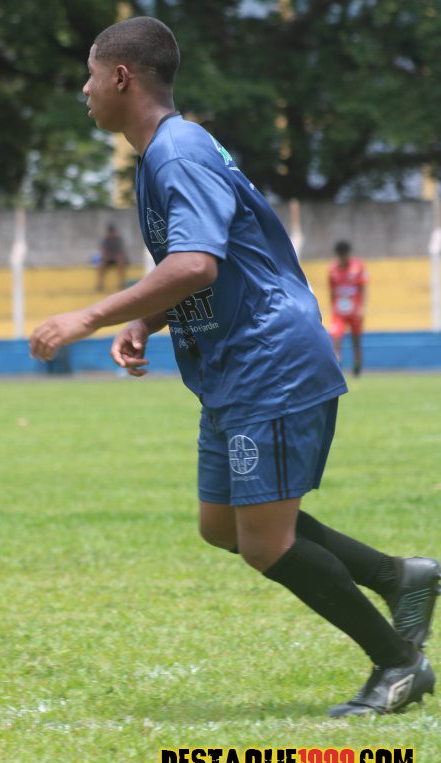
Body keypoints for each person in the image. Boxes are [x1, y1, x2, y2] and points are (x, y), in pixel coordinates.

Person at [29, 16, 439, 717]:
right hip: (232, 365)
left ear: (121, 77)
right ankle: (400, 576)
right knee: (222, 525)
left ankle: (398, 663)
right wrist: (145, 319)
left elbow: (196, 263)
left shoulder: (176, 153)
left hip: (267, 360)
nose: (84, 91)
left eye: (89, 76)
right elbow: (216, 263)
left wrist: (88, 316)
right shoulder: (167, 153)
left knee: (265, 543)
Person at [329, 241, 368, 376]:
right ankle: (337, 363)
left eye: (344, 254)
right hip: (339, 312)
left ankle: (357, 366)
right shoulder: (332, 269)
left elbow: (363, 288)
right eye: (340, 255)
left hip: (355, 311)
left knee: (356, 340)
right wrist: (333, 307)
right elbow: (332, 290)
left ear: (348, 253)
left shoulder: (358, 267)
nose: (343, 257)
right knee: (336, 337)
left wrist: (362, 307)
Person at [96, 222, 128, 292]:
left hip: (117, 258)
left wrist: (116, 256)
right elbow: (103, 252)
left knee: (120, 261)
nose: (111, 233)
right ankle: (100, 283)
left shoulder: (119, 240)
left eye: (112, 231)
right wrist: (108, 256)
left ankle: (122, 282)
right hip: (108, 259)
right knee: (101, 264)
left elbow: (121, 252)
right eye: (110, 231)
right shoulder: (105, 240)